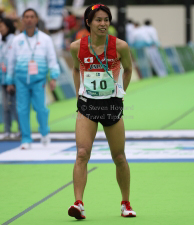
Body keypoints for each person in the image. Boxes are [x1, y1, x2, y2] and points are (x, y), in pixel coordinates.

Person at [68, 4, 136, 220]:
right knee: (81, 153)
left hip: (112, 106)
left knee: (119, 156)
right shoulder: (76, 47)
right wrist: (80, 95)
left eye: (106, 19)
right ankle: (78, 203)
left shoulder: (121, 46)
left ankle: (125, 203)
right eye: (98, 20)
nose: (103, 24)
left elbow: (128, 69)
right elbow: (76, 68)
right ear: (88, 22)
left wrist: (120, 93)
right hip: (87, 106)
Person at [6, 8, 60, 149]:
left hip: (39, 80)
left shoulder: (45, 39)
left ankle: (44, 133)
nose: (29, 19)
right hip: (21, 80)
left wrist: (53, 77)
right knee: (22, 109)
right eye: (26, 17)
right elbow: (11, 62)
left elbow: (52, 59)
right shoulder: (17, 40)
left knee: (41, 109)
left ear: (36, 19)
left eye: (32, 16)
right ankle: (26, 139)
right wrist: (10, 80)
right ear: (23, 20)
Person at [0, 17, 20, 139]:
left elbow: (13, 60)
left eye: (2, 26)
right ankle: (7, 130)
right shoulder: (1, 40)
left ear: (8, 27)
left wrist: (11, 79)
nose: (0, 29)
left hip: (12, 78)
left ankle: (21, 129)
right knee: (5, 105)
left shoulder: (15, 40)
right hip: (2, 77)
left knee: (13, 104)